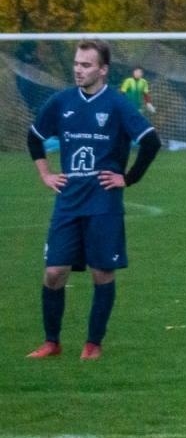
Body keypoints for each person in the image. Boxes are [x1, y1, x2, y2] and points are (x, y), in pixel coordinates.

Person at [26, 39, 162, 361]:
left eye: (86, 65)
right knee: (54, 272)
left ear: (103, 70)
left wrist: (127, 178)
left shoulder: (116, 104)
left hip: (104, 203)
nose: (78, 69)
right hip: (68, 202)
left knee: (102, 272)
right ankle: (52, 342)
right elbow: (34, 137)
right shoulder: (61, 102)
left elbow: (151, 142)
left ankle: (93, 344)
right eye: (76, 63)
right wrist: (45, 174)